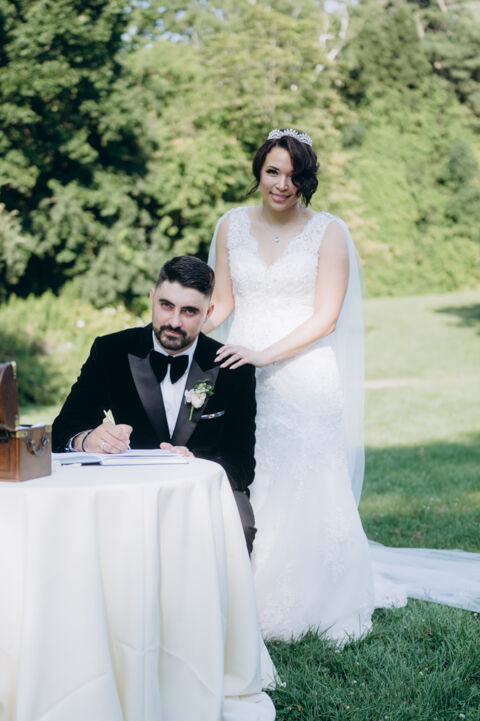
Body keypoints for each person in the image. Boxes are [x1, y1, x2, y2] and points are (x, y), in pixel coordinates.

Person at [203, 128, 375, 642]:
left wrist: (265, 354)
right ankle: (246, 589)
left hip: (304, 377)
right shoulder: (229, 226)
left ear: (307, 180)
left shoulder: (329, 232)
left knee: (306, 478)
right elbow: (224, 303)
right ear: (259, 172)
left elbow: (326, 317)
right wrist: (182, 329)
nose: (282, 184)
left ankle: (320, 596)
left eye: (294, 175)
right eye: (272, 171)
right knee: (253, 476)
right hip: (242, 373)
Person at [52, 255, 257, 554]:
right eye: (166, 305)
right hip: (129, 491)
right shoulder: (111, 351)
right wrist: (87, 439)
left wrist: (196, 463)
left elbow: (243, 462)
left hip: (205, 493)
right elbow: (63, 429)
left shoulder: (232, 368)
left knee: (238, 527)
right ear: (152, 298)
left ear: (209, 312)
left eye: (189, 311)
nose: (174, 321)